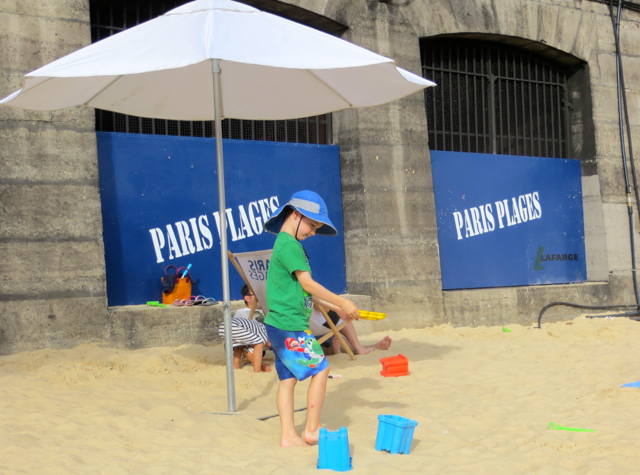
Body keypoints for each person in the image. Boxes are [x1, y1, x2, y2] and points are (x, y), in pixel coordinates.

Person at [263, 190, 360, 448]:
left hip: (278, 324)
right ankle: (312, 428)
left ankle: (288, 436)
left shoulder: (284, 244)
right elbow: (308, 282)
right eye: (312, 225)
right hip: (290, 326)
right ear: (296, 214)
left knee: (287, 380)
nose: (313, 232)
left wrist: (335, 308)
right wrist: (341, 301)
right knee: (322, 369)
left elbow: (302, 290)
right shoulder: (290, 245)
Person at [309, 307, 392, 355]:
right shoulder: (306, 286)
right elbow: (320, 304)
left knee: (340, 342)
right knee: (342, 318)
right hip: (313, 330)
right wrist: (337, 305)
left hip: (311, 331)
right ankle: (359, 347)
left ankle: (371, 347)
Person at [218, 305, 271, 373]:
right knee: (259, 343)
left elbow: (247, 350)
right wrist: (260, 365)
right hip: (233, 326)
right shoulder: (264, 332)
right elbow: (253, 349)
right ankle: (257, 370)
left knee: (239, 345)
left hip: (223, 327)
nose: (267, 348)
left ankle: (236, 365)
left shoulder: (257, 329)